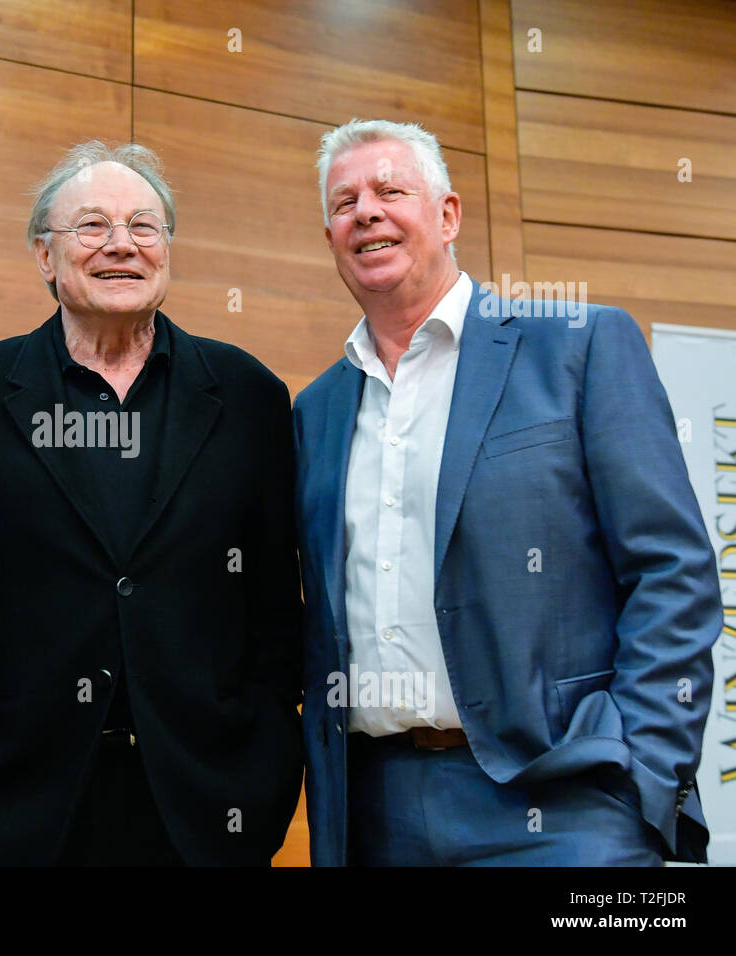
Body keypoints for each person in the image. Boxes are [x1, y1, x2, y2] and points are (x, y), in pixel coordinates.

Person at [294, 118, 722, 866]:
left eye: (391, 191)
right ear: (330, 236)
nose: (366, 211)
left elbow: (673, 574)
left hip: (567, 804)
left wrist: (644, 769)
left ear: (448, 214)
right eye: (344, 201)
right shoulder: (314, 411)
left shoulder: (579, 345)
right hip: (377, 814)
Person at [0, 141, 304, 866]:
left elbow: (278, 613)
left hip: (203, 813)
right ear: (45, 256)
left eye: (144, 226)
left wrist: (265, 768)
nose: (122, 245)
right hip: (0, 812)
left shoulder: (251, 398)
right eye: (91, 226)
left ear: (168, 249)